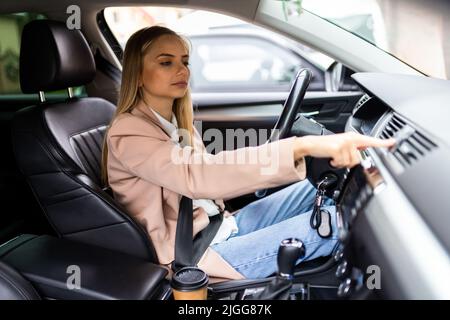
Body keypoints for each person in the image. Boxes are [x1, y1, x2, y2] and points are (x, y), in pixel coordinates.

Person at [101, 26, 395, 280]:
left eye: (185, 61)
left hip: (220, 224)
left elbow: (207, 175)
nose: (182, 71)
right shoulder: (128, 131)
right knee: (335, 224)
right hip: (192, 252)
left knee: (324, 184)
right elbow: (197, 176)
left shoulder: (176, 120)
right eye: (166, 62)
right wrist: (301, 146)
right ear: (137, 75)